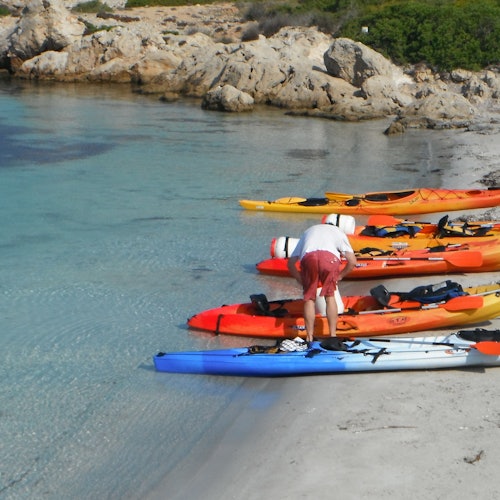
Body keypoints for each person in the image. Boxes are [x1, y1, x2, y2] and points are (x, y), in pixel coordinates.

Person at [287, 223, 357, 343]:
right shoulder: (339, 232)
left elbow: (290, 263)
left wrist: (300, 279)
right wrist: (340, 276)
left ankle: (309, 337)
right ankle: (333, 335)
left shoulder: (308, 231)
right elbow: (352, 261)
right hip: (329, 259)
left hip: (309, 258)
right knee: (330, 297)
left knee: (309, 299)